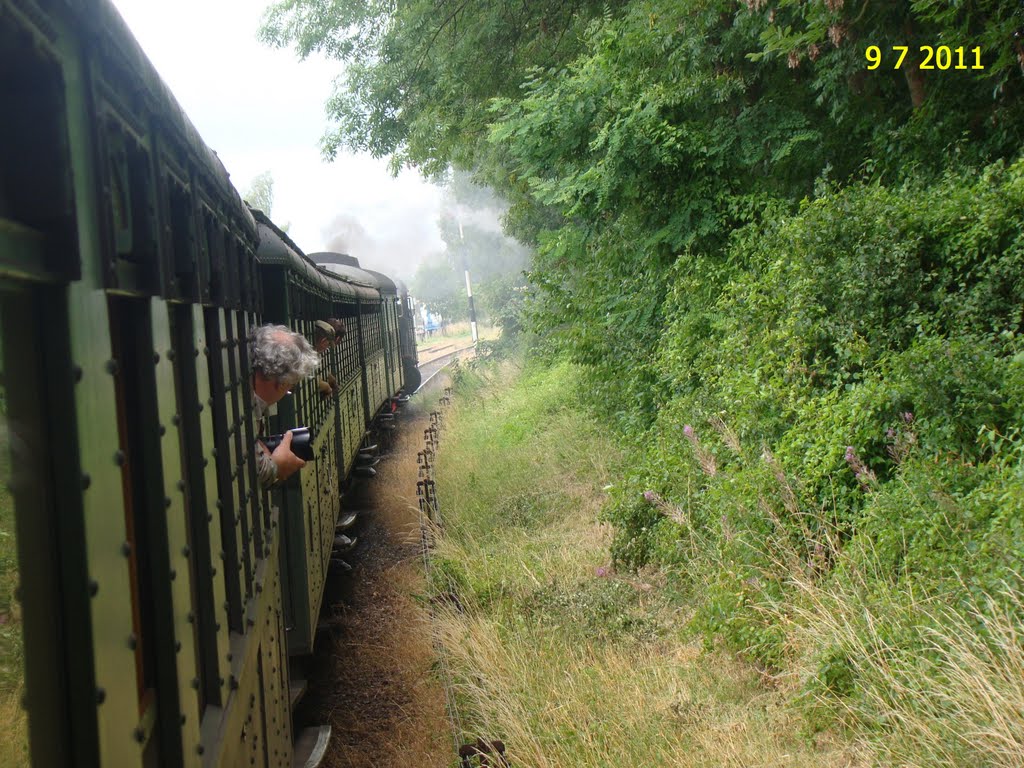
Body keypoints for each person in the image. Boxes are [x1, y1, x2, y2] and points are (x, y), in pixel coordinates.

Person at [249, 323, 320, 489]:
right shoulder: (244, 409)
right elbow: (252, 470)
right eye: (291, 385)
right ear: (283, 383)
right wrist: (276, 466)